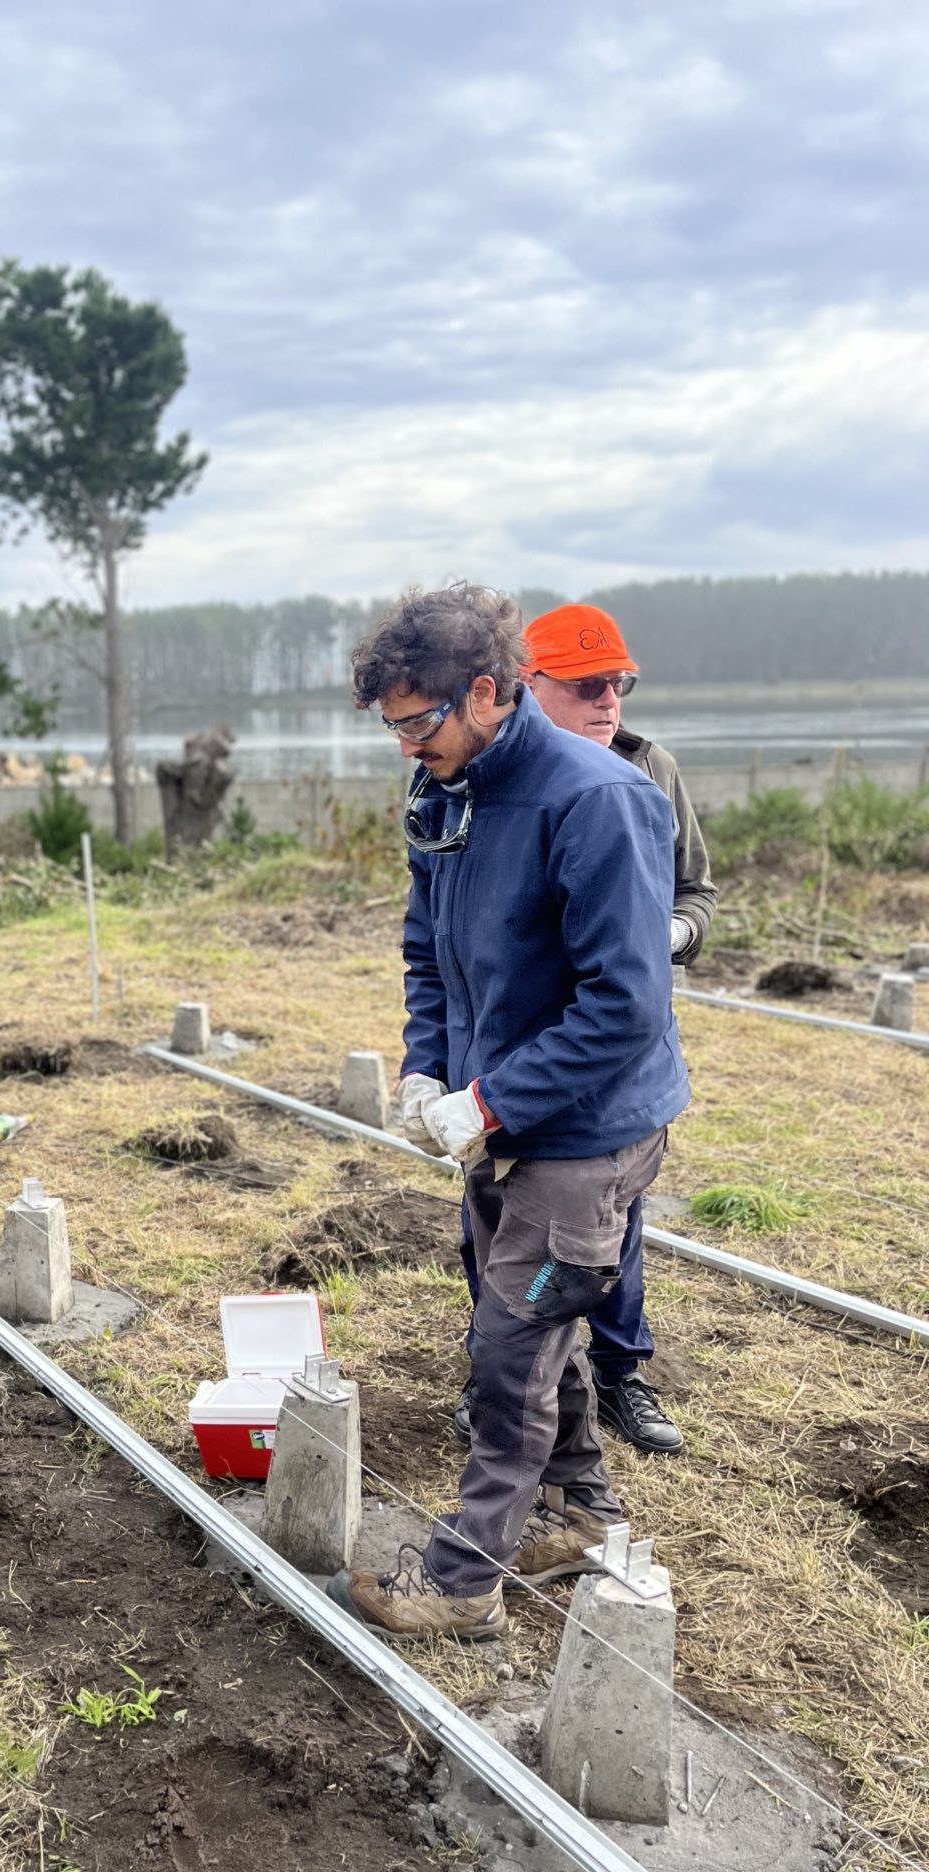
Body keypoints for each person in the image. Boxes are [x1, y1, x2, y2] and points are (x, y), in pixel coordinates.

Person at [329, 583, 690, 1642]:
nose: (407, 746)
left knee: (510, 1347)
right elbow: (426, 949)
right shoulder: (448, 791)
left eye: (418, 722)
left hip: (583, 1131)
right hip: (497, 1120)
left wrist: (493, 1098)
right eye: (392, 727)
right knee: (530, 1319)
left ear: (486, 691)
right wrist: (428, 1070)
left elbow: (626, 1004)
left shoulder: (599, 800)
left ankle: (465, 1579)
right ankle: (581, 1511)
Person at [451, 602, 716, 1456]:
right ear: (528, 686)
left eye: (620, 683)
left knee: (608, 1224)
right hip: (514, 1043)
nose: (610, 700)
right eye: (588, 685)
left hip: (612, 1048)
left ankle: (620, 1372)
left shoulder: (649, 770)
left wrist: (665, 935)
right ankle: (499, 1373)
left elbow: (697, 893)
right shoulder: (483, 778)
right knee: (495, 1222)